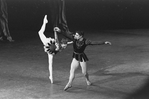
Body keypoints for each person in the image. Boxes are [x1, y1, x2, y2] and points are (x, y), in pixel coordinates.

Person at [38, 15, 71, 84]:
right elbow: (56, 39)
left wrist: (73, 41)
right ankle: (51, 77)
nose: (65, 47)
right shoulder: (59, 45)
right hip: (49, 44)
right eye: (64, 46)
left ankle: (51, 77)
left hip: (51, 49)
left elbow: (67, 43)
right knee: (50, 64)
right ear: (62, 44)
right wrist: (55, 32)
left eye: (65, 46)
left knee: (50, 64)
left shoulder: (61, 45)